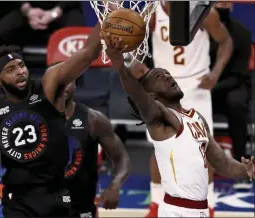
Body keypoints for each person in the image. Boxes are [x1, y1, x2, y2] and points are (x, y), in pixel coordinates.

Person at [102, 33, 255, 217]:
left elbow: (223, 164)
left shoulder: (196, 118)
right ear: (152, 96)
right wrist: (120, 65)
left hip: (201, 211)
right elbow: (138, 95)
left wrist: (246, 169)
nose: (167, 77)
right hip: (177, 212)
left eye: (167, 74)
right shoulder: (160, 119)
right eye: (159, 77)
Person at [0, 22, 102, 217]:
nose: (20, 71)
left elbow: (87, 53)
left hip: (56, 195)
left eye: (21, 65)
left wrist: (107, 15)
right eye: (11, 70)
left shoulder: (48, 89)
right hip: (15, 201)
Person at [0, 79, 131, 218]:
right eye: (57, 83)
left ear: (75, 85)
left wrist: (115, 185)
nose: (62, 88)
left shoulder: (93, 120)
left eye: (67, 82)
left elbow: (122, 158)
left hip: (79, 208)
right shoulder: (29, 118)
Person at [144, 2, 234, 216]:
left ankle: (208, 205)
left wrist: (215, 73)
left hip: (196, 87)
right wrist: (137, 64)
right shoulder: (152, 12)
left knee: (203, 150)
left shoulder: (203, 12)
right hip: (164, 90)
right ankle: (156, 204)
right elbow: (134, 43)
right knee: (160, 149)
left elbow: (226, 41)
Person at [211, 2, 252, 188]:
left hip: (233, 84)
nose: (223, 5)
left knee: (236, 103)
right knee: (190, 102)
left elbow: (240, 74)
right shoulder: (202, 32)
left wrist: (212, 84)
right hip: (206, 85)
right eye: (219, 2)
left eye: (226, 2)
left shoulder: (242, 32)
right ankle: (195, 165)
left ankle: (242, 166)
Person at [0, 1, 85, 52]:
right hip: (28, 10)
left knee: (76, 35)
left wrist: (53, 14)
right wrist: (28, 11)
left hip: (62, 10)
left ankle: (70, 78)